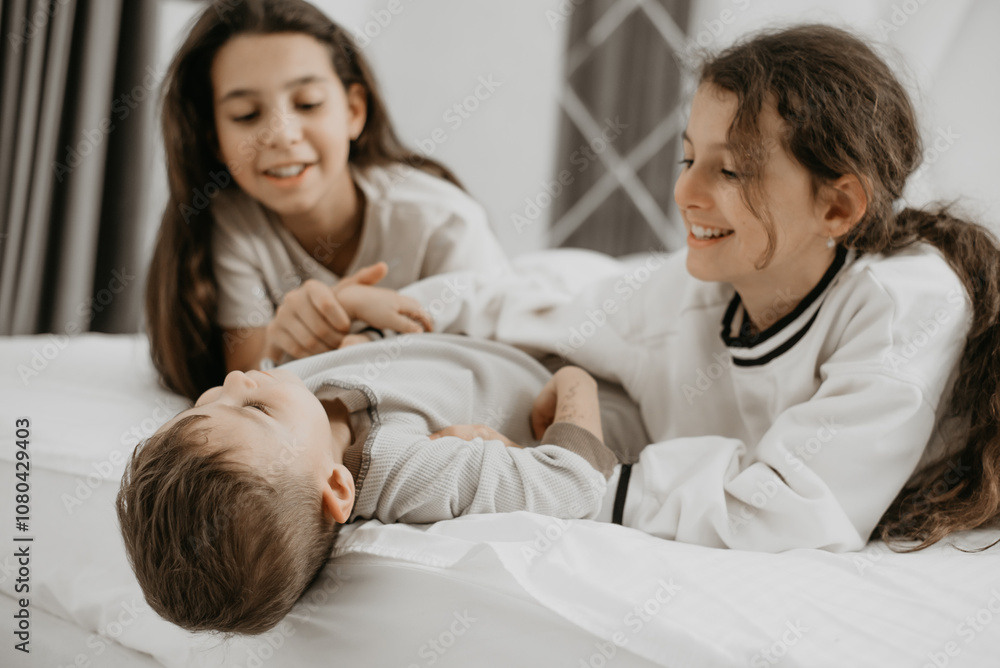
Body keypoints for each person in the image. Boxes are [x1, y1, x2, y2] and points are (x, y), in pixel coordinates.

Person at [397, 24, 1000, 553]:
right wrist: (411, 307)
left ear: (838, 206)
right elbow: (561, 301)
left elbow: (793, 510)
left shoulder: (905, 306)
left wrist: (565, 480)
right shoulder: (703, 290)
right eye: (688, 160)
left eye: (731, 170)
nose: (685, 193)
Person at [116, 314, 614, 635]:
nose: (234, 380)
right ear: (337, 487)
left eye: (204, 403)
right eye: (255, 408)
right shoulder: (405, 468)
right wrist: (576, 383)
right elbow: (571, 485)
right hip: (586, 384)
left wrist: (362, 326)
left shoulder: (296, 403)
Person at [145, 0, 509, 402]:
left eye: (308, 104)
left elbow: (501, 375)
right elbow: (247, 378)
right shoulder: (233, 221)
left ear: (354, 111)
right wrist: (278, 344)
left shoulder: (444, 222)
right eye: (246, 115)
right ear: (214, 139)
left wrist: (358, 327)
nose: (282, 134)